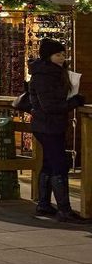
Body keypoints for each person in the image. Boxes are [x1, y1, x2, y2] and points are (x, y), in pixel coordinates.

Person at [29, 38, 87, 222]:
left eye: (63, 54)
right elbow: (50, 105)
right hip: (48, 125)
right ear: (48, 56)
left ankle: (44, 205)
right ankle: (64, 210)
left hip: (48, 125)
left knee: (49, 163)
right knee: (59, 166)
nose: (62, 58)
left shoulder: (52, 73)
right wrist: (74, 102)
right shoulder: (45, 75)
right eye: (58, 55)